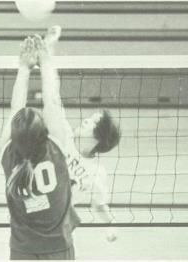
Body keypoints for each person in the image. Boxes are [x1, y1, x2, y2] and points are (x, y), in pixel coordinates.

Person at [0, 34, 79, 260]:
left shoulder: (8, 153)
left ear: (14, 136)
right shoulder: (55, 146)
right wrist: (45, 60)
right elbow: (52, 100)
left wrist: (23, 67)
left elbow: (16, 106)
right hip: (58, 248)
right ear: (44, 131)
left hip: (22, 249)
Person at [40, 26, 121, 242]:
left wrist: (110, 225)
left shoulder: (97, 173)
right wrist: (49, 49)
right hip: (35, 210)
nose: (85, 119)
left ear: (98, 138)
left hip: (61, 222)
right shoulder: (63, 134)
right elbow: (53, 93)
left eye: (92, 122)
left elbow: (99, 204)